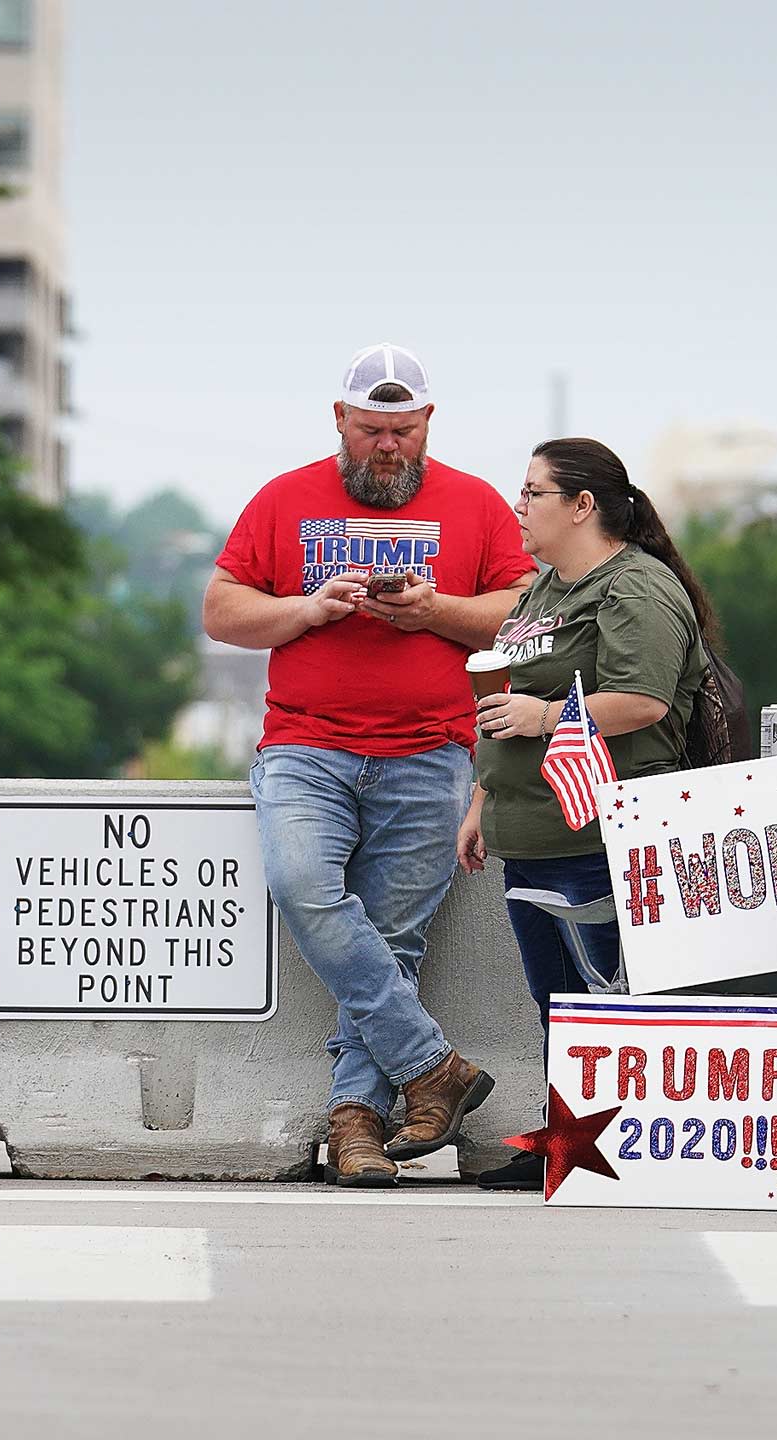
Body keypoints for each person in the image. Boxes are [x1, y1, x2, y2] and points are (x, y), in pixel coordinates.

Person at [203, 343, 534, 1187]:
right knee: (301, 887)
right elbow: (222, 610)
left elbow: (523, 614)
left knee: (392, 943)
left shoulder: (476, 504)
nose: (387, 448)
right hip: (306, 748)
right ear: (340, 422)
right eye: (370, 431)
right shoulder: (284, 499)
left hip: (430, 753)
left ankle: (354, 1127)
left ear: (427, 424)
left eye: (403, 431)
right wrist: (308, 607)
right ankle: (434, 1067)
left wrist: (435, 610)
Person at [455, 438, 714, 1191]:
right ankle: (570, 1145)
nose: (519, 507)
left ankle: (614, 1148)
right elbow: (503, 696)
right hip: (531, 834)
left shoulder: (634, 588)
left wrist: (544, 720)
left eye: (533, 493)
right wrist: (482, 798)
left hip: (599, 837)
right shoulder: (543, 591)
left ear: (583, 505)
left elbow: (644, 700)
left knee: (603, 999)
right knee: (557, 1001)